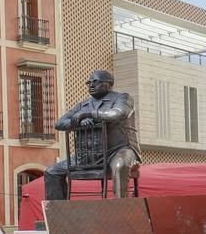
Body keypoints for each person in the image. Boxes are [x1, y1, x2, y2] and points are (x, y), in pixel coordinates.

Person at [45, 69, 141, 200]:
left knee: (120, 166)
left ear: (109, 83)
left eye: (95, 82)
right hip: (87, 156)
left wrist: (89, 114)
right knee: (51, 172)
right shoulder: (83, 104)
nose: (91, 85)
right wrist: (78, 121)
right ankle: (57, 212)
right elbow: (59, 123)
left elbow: (118, 114)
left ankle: (120, 208)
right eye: (89, 83)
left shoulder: (123, 98)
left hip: (119, 150)